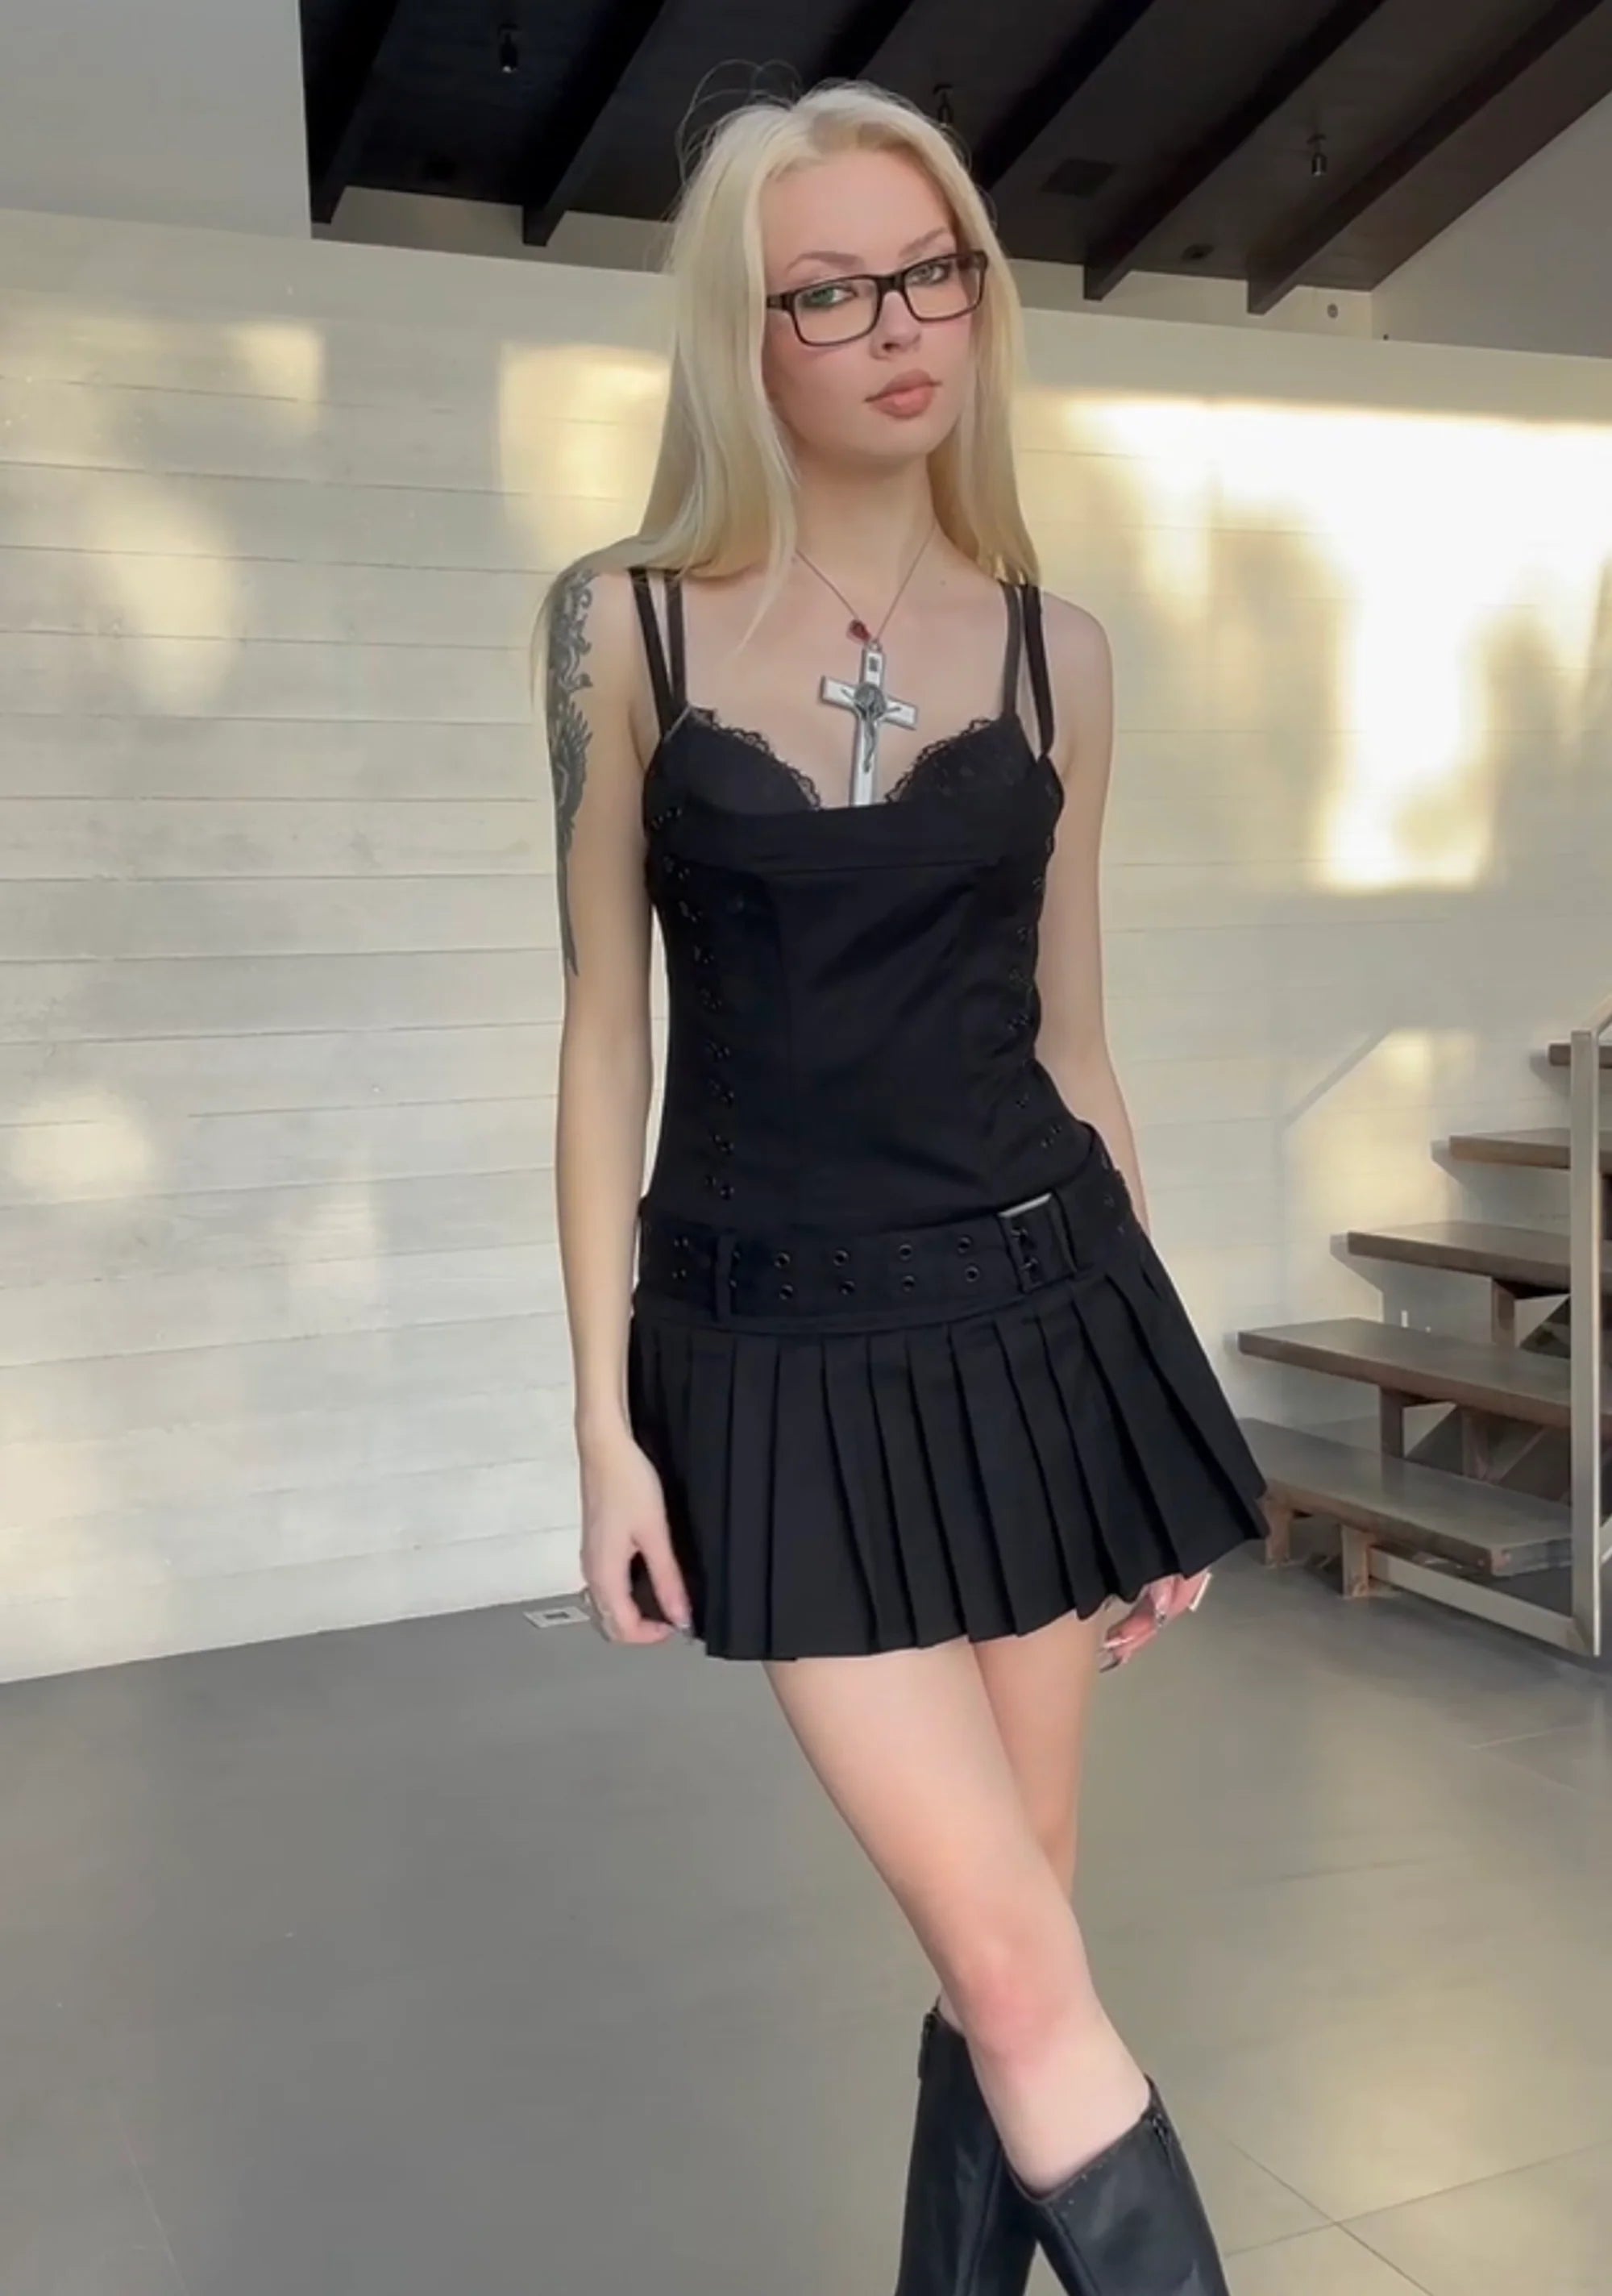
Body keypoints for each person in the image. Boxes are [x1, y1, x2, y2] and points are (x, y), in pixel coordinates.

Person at [531, 75, 1269, 2296]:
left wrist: (1151, 1412)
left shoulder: (1063, 654)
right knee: (1027, 1969)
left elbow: (1076, 1046)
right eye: (830, 291)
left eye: (932, 272)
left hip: (1045, 1329)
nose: (898, 325)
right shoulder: (622, 630)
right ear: (741, 336)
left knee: (1014, 1931)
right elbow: (603, 1038)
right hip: (774, 1357)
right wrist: (605, 1430)